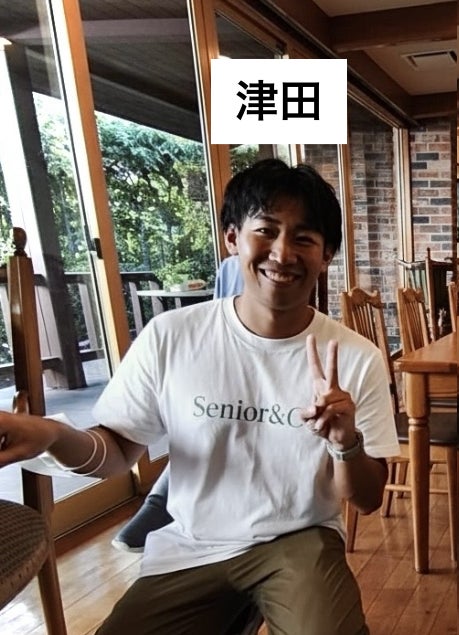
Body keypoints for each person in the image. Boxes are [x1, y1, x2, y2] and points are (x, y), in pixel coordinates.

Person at [0, 158, 399, 634]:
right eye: (266, 230)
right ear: (232, 238)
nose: (282, 253)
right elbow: (118, 450)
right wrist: (51, 434)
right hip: (192, 544)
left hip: (300, 538)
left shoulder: (356, 357)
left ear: (326, 254)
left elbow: (368, 499)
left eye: (304, 239)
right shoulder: (172, 336)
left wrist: (345, 442)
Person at [111, 254, 244, 552]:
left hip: (275, 357)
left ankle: (161, 502)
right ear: (233, 237)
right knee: (207, 408)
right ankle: (163, 502)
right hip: (225, 358)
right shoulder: (232, 266)